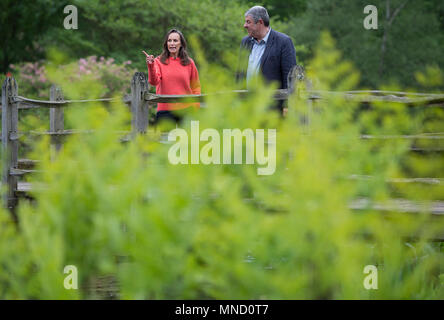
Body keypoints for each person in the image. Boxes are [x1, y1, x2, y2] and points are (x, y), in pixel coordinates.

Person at [239, 6, 297, 113]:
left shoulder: (283, 42)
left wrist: (287, 105)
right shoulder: (245, 42)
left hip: (272, 109)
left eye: (248, 22)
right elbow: (239, 74)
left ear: (260, 22)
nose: (245, 25)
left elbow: (289, 77)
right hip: (247, 107)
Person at [143, 28, 201, 127]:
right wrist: (151, 65)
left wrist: (195, 107)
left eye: (175, 40)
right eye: (169, 41)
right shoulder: (158, 61)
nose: (172, 43)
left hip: (186, 111)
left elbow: (196, 87)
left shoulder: (189, 62)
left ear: (181, 44)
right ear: (166, 44)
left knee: (188, 141)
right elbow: (154, 82)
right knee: (164, 141)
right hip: (165, 110)